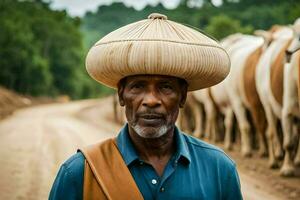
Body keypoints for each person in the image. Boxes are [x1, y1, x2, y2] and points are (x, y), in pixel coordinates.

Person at [49, 13, 243, 200]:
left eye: (165, 87)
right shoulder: (80, 172)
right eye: (138, 86)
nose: (151, 100)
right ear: (121, 95)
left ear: (183, 97)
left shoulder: (219, 169)